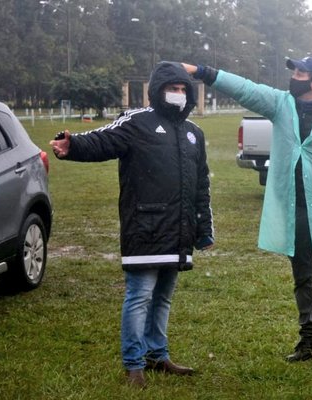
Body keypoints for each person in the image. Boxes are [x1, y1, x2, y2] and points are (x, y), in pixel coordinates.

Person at [181, 57, 312, 363]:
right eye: (293, 71)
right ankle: (308, 340)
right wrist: (203, 72)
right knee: (302, 277)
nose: (294, 76)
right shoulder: (282, 104)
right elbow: (246, 89)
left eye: (300, 73)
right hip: (295, 211)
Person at [50, 61, 214, 388]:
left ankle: (157, 355)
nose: (178, 95)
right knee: (139, 296)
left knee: (163, 298)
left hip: (178, 230)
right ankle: (133, 364)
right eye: (173, 89)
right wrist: (74, 146)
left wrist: (203, 228)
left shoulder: (195, 133)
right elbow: (104, 140)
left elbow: (201, 186)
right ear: (157, 91)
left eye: (183, 90)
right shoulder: (138, 122)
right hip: (145, 227)